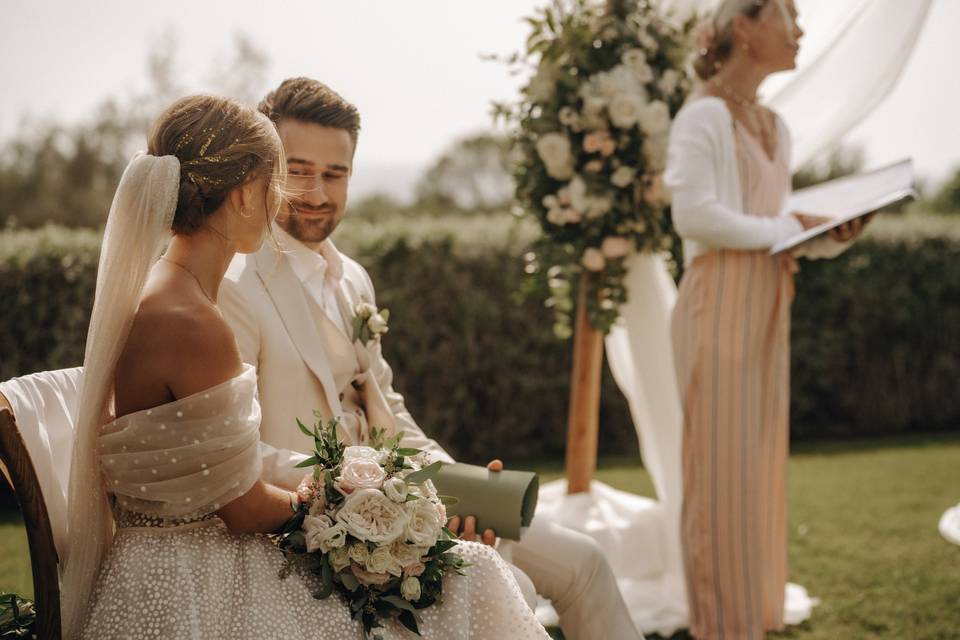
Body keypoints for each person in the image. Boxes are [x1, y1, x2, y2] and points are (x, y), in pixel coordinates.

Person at [61, 94, 550, 640]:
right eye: (277, 184)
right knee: (472, 577)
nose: (281, 205)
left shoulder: (174, 292)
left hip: (195, 551)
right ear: (246, 193)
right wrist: (363, 508)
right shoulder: (192, 320)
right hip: (191, 577)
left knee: (469, 575)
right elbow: (245, 511)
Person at [219, 77, 644, 640]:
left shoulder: (353, 279)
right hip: (310, 529)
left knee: (585, 561)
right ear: (267, 169)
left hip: (405, 497)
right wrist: (371, 497)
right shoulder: (236, 284)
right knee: (512, 586)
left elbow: (386, 406)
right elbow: (236, 451)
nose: (318, 192)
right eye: (298, 170)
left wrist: (454, 483)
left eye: (335, 173)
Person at [664, 1, 868, 638]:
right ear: (745, 28)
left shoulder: (776, 124)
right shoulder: (701, 117)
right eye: (788, 15)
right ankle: (722, 626)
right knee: (720, 476)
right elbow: (694, 217)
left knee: (757, 469)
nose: (801, 30)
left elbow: (773, 226)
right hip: (716, 303)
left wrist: (831, 235)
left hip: (768, 300)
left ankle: (756, 617)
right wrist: (788, 227)